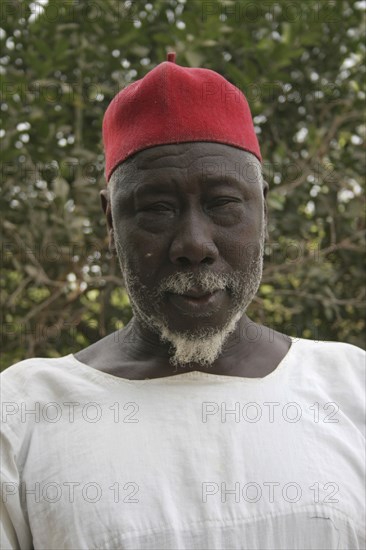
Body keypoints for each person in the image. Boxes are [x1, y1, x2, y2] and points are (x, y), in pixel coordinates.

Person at [1, 53, 364, 550]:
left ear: (263, 205)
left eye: (223, 204)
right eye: (156, 208)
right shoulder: (24, 412)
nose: (194, 244)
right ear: (110, 221)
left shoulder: (350, 387)